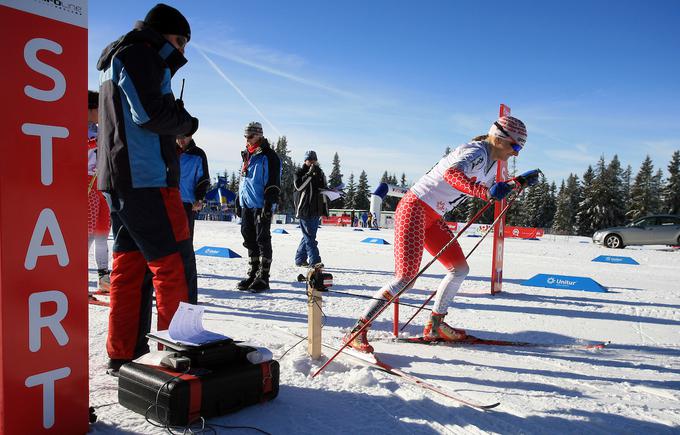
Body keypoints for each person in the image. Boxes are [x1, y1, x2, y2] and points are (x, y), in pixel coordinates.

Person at [343, 116, 540, 352]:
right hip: (414, 208)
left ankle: (436, 325)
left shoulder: (492, 163)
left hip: (434, 216)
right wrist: (483, 192)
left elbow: (495, 189)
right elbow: (452, 175)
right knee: (406, 278)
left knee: (460, 269)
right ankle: (358, 331)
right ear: (499, 138)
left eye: (521, 148)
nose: (516, 153)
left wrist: (518, 182)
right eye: (515, 146)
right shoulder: (476, 151)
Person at [96, 3, 199, 374]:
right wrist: (186, 121)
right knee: (175, 267)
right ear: (161, 34)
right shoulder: (141, 54)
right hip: (148, 180)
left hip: (120, 179)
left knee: (130, 267)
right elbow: (150, 115)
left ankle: (123, 354)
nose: (182, 52)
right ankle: (179, 356)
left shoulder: (116, 58)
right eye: (179, 42)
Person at [236, 122, 282, 292]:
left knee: (262, 239)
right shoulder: (247, 155)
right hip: (247, 203)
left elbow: (273, 182)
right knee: (248, 237)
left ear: (259, 135)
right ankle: (253, 272)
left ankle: (264, 276)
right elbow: (243, 180)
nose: (247, 139)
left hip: (261, 204)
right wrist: (237, 200)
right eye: (245, 136)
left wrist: (269, 204)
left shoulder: (269, 156)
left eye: (250, 136)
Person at [177, 135, 210, 303]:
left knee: (185, 245)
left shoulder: (198, 154)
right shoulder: (168, 149)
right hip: (166, 201)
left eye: (184, 137)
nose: (181, 141)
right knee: (164, 246)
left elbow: (203, 179)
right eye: (178, 137)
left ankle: (187, 291)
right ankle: (166, 285)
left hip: (187, 203)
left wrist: (199, 198)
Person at [87, 90, 111, 293]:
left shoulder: (99, 128)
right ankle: (76, 277)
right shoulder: (75, 126)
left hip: (102, 184)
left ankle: (104, 277)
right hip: (85, 183)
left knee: (103, 231)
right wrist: (97, 143)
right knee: (86, 233)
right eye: (98, 109)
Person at [293, 150, 329, 267]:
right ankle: (315, 261)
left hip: (316, 209)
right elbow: (299, 187)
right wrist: (309, 174)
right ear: (305, 161)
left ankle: (299, 259)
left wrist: (332, 190)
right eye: (309, 160)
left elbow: (323, 188)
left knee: (309, 236)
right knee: (309, 237)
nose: (312, 162)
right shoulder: (299, 172)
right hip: (304, 209)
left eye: (314, 160)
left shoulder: (319, 173)